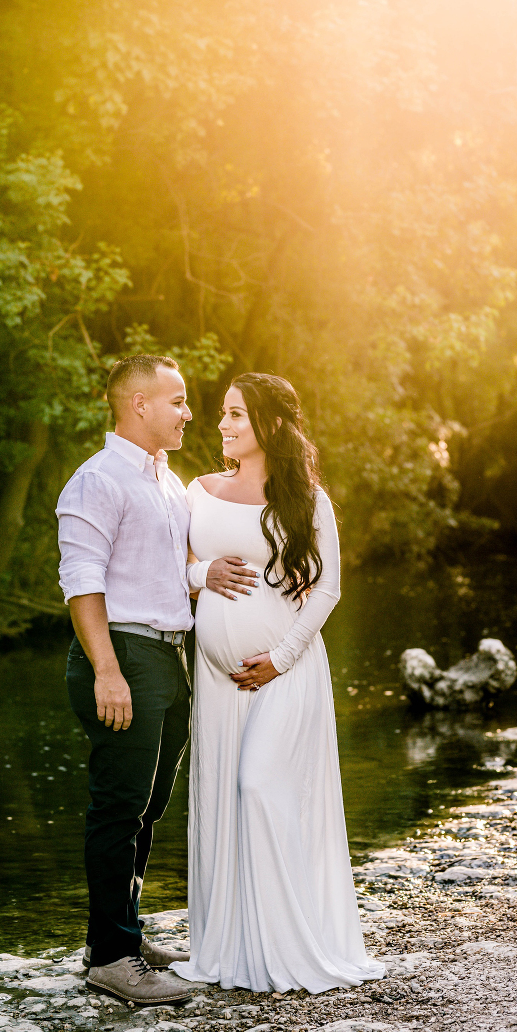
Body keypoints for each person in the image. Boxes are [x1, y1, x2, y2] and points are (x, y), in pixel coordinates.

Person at [174, 373, 385, 994]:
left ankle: (291, 944)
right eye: (222, 415)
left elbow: (329, 586)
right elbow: (170, 566)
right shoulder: (199, 492)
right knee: (225, 806)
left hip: (286, 673)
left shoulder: (307, 500)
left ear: (268, 424)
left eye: (236, 414)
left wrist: (284, 655)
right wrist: (201, 572)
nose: (223, 424)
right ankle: (236, 950)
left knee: (261, 787)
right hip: (218, 683)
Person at [56, 354, 256, 1006]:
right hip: (123, 656)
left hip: (169, 655)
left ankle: (120, 936)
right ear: (138, 405)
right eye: (176, 400)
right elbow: (83, 584)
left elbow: (169, 569)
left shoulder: (166, 482)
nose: (188, 412)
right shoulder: (97, 481)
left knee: (148, 807)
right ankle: (112, 960)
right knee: (118, 807)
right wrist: (108, 673)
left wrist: (206, 576)